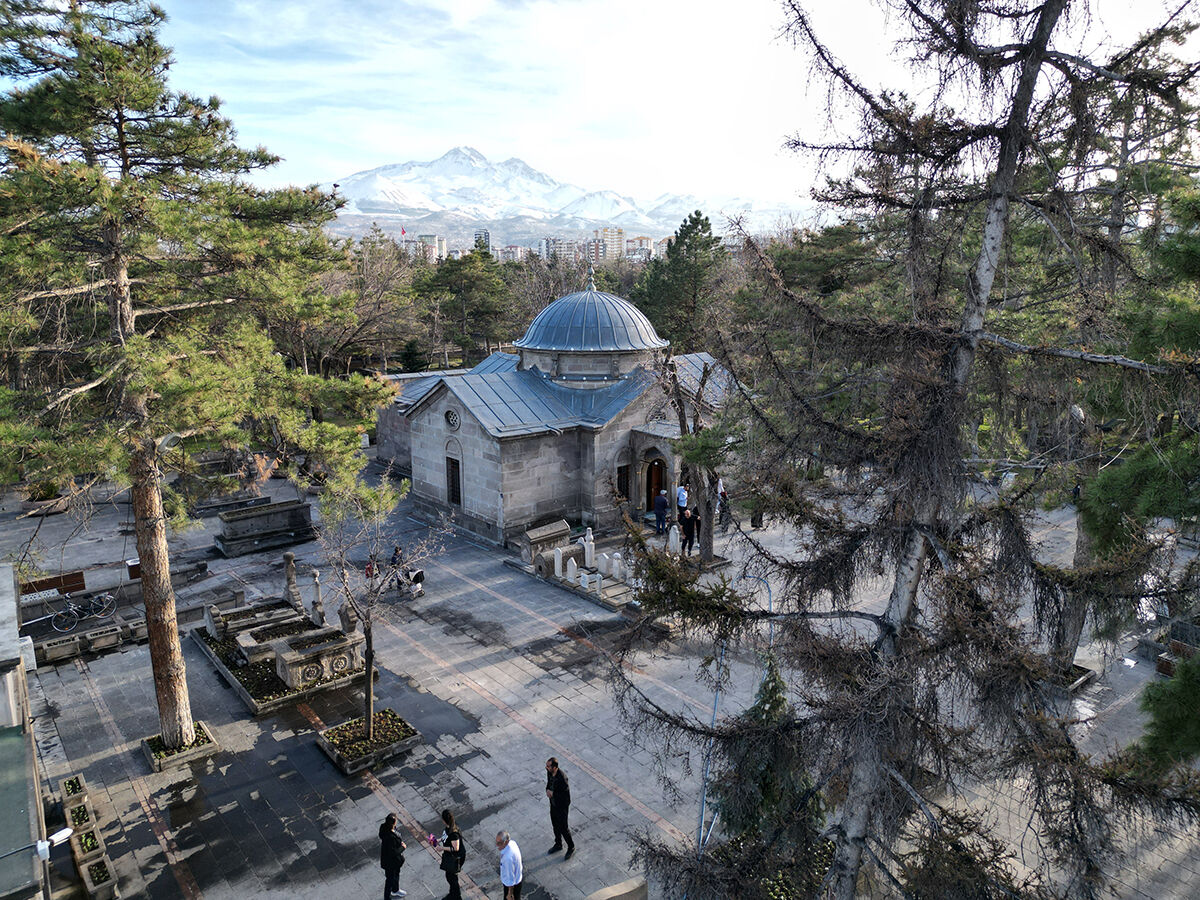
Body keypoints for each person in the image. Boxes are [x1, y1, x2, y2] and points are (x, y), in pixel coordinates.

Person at [545, 757, 575, 859]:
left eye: (548, 766)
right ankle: (558, 844)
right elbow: (548, 783)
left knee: (563, 827)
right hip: (553, 804)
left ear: (555, 767)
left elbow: (565, 796)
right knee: (555, 825)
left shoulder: (562, 778)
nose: (546, 768)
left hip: (562, 806)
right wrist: (548, 790)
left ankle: (571, 846)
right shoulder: (549, 773)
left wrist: (553, 794)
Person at [434, 808, 463, 900]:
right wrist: (437, 840)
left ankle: (456, 896)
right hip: (449, 856)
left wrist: (442, 848)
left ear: (443, 820)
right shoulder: (448, 827)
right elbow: (445, 837)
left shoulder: (453, 833)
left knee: (452, 877)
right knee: (450, 876)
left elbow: (455, 848)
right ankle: (453, 894)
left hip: (454, 857)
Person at [379, 813, 407, 900]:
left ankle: (395, 889)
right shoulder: (390, 837)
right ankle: (387, 897)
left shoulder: (386, 828)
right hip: (391, 862)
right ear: (393, 823)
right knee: (390, 879)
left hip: (394, 861)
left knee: (396, 875)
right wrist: (403, 847)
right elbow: (393, 852)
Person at [496, 831, 522, 900]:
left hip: (511, 887)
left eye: (500, 843)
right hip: (518, 879)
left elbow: (510, 878)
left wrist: (510, 894)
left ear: (506, 842)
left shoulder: (507, 858)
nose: (497, 845)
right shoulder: (512, 843)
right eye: (497, 842)